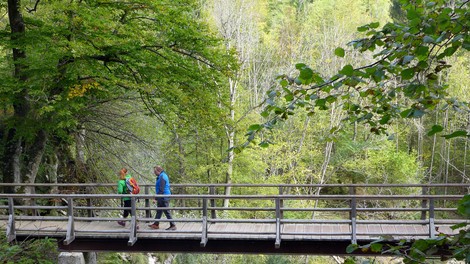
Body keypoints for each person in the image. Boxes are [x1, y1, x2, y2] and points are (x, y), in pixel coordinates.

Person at [148, 165, 176, 230]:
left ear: (158, 171)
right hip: (162, 196)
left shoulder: (162, 177)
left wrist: (156, 198)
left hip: (164, 196)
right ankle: (156, 224)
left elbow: (161, 189)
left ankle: (173, 225)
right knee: (159, 210)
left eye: (155, 172)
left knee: (166, 211)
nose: (154, 173)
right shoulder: (161, 176)